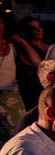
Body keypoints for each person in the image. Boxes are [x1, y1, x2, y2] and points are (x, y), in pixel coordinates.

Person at [11, 16, 48, 111]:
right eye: (33, 28)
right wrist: (22, 41)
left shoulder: (48, 45)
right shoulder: (25, 48)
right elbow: (38, 64)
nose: (38, 30)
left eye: (39, 26)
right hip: (33, 90)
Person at [1, 16, 27, 144]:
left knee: (17, 138)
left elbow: (36, 62)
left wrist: (20, 41)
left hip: (11, 99)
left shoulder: (11, 46)